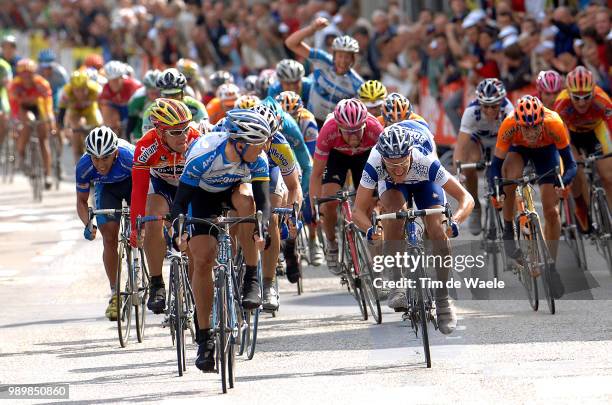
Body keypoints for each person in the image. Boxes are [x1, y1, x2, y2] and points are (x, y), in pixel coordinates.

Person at [171, 109, 271, 372]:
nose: (262, 150)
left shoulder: (256, 159)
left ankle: (251, 277)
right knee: (203, 259)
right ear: (240, 144)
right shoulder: (203, 154)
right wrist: (178, 229)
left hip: (233, 191)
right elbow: (181, 202)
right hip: (201, 197)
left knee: (247, 204)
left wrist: (263, 229)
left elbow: (264, 202)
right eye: (258, 145)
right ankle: (205, 340)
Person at [352, 124, 474, 329]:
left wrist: (455, 221)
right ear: (383, 159)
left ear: (410, 154)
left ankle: (443, 300)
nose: (398, 170)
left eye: (402, 163)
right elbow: (357, 211)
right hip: (392, 187)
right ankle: (397, 283)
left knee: (437, 230)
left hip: (424, 180)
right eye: (392, 165)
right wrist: (372, 230)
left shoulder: (424, 159)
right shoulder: (375, 162)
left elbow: (466, 198)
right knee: (394, 215)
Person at [490, 95, 576, 299]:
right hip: (518, 151)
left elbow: (571, 164)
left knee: (551, 212)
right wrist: (497, 191)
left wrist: (563, 182)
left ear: (542, 122)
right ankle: (509, 230)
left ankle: (551, 267)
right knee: (509, 177)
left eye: (535, 127)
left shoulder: (554, 122)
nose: (530, 133)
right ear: (518, 124)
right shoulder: (509, 124)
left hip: (547, 152)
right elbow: (494, 165)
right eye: (525, 128)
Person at [130, 98, 202, 314]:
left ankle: (194, 284)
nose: (183, 136)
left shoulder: (197, 142)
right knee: (152, 220)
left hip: (189, 187)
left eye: (185, 129)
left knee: (191, 235)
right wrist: (136, 226)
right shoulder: (146, 146)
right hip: (161, 186)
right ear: (160, 132)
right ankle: (156, 284)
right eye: (176, 132)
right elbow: (139, 190)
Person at [309, 98, 383, 274]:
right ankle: (332, 242)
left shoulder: (375, 130)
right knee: (330, 202)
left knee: (370, 206)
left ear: (365, 124)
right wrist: (315, 206)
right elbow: (317, 174)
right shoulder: (328, 131)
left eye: (357, 131)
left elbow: (384, 169)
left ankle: (375, 263)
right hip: (337, 157)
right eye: (347, 132)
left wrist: (379, 199)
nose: (353, 136)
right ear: (338, 127)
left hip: (365, 157)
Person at [75, 127, 134, 320]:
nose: (100, 164)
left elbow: (148, 189)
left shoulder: (129, 157)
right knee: (109, 239)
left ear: (115, 153)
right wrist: (87, 224)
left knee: (143, 227)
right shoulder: (84, 166)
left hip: (133, 183)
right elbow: (82, 201)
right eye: (95, 159)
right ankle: (115, 293)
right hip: (107, 190)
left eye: (105, 158)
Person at [553, 66, 612, 231]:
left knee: (608, 175)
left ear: (594, 92)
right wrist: (570, 160)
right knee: (576, 171)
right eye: (576, 97)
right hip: (572, 135)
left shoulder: (603, 100)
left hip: (596, 132)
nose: (582, 102)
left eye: (586, 97)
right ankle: (581, 209)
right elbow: (561, 138)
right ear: (568, 93)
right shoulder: (561, 104)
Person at [453, 78, 514, 235]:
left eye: (494, 106)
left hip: (499, 140)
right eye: (485, 106)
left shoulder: (508, 110)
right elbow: (460, 147)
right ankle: (476, 208)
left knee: (505, 164)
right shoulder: (471, 112)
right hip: (477, 139)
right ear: (479, 103)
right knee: (469, 162)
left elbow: (513, 143)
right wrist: (458, 172)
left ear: (501, 102)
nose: (489, 110)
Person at [285, 17, 364, 126]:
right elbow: (290, 43)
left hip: (334, 126)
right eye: (340, 56)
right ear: (334, 55)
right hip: (309, 120)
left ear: (353, 59)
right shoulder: (322, 60)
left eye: (347, 57)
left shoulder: (357, 83)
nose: (343, 61)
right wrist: (312, 29)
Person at [8, 58, 56, 189]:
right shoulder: (15, 85)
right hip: (23, 108)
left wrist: (50, 118)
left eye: (29, 74)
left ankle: (48, 174)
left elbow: (48, 103)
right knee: (27, 123)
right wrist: (16, 119)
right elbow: (13, 106)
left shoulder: (42, 83)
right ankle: (21, 154)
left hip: (39, 107)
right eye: (23, 74)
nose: (27, 77)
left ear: (34, 73)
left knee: (43, 138)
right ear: (19, 74)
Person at [141, 68, 208, 134]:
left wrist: (203, 123)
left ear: (183, 93)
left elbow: (205, 126)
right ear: (160, 95)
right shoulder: (150, 112)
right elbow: (148, 137)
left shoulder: (195, 106)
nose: (171, 100)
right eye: (166, 96)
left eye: (175, 95)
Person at [58, 70, 103, 163]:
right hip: (75, 111)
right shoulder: (66, 92)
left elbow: (103, 106)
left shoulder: (96, 89)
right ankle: (77, 156)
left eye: (83, 89)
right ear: (72, 88)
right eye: (77, 90)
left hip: (90, 109)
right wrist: (61, 125)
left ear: (87, 86)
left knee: (98, 127)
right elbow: (62, 110)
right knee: (76, 129)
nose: (80, 93)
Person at [99, 61, 142, 136]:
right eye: (111, 80)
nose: (114, 83)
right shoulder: (106, 89)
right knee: (109, 121)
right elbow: (102, 107)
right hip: (116, 109)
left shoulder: (133, 85)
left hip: (131, 108)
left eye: (116, 79)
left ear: (122, 77)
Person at [126, 70, 160, 143]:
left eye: (156, 93)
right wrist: (129, 138)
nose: (154, 96)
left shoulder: (165, 95)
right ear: (146, 89)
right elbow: (131, 120)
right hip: (140, 131)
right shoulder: (138, 98)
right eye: (151, 93)